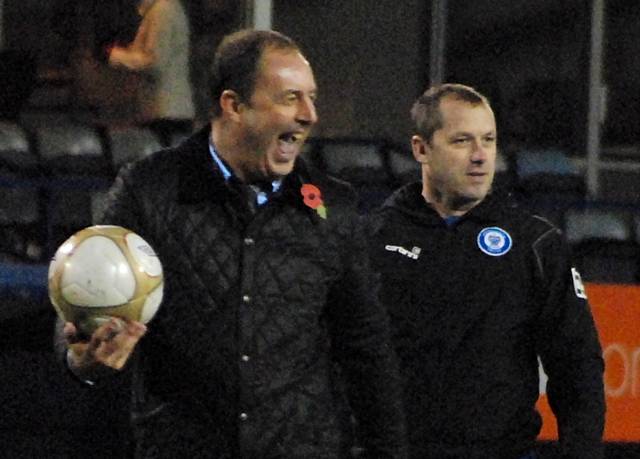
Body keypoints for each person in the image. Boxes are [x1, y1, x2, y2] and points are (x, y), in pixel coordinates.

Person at [57, 29, 407, 458]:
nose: (310, 114)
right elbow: (87, 294)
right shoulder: (149, 189)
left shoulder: (333, 207)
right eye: (290, 97)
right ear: (233, 105)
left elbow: (366, 348)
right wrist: (80, 357)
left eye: (311, 97)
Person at [367, 83, 605, 459]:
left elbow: (577, 366)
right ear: (421, 149)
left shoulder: (535, 243)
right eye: (462, 141)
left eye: (489, 140)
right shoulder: (373, 238)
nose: (480, 156)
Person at [107, 0, 195, 145]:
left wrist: (116, 56)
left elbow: (155, 63)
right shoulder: (162, 10)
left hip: (164, 112)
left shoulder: (162, 11)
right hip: (166, 111)